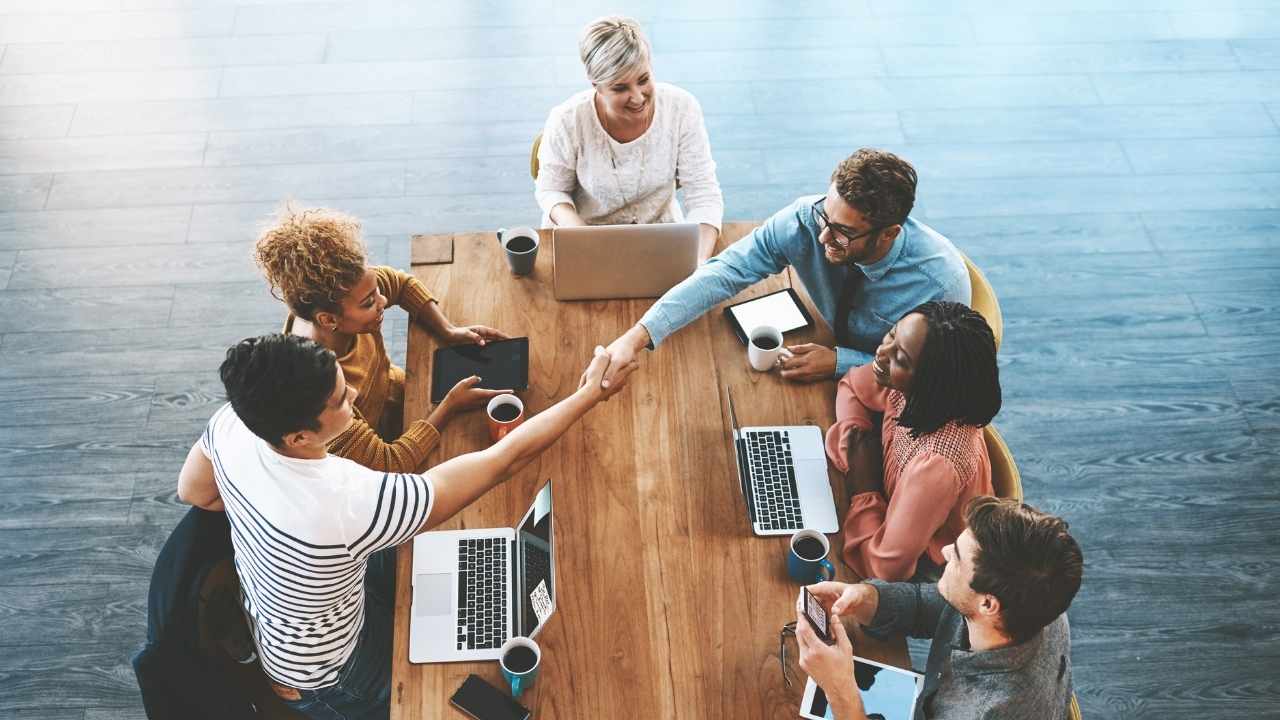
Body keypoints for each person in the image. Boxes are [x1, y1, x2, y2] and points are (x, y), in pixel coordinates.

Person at [177, 333, 635, 720]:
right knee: (435, 694)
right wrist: (590, 395)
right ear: (299, 437)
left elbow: (193, 492)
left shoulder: (232, 424)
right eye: (340, 400)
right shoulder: (349, 500)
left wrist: (266, 517)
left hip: (281, 620)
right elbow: (501, 462)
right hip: (330, 670)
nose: (353, 396)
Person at [600, 148, 970, 388]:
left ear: (889, 233)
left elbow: (935, 378)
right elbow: (726, 270)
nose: (823, 237)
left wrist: (840, 362)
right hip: (818, 364)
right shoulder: (806, 219)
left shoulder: (940, 284)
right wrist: (638, 335)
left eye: (843, 233)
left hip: (884, 391)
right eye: (826, 214)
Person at [255, 204, 509, 473]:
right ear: (329, 320)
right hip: (374, 454)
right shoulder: (320, 393)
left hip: (400, 395)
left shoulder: (349, 287)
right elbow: (390, 463)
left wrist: (447, 330)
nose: (383, 301)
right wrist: (450, 406)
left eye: (376, 290)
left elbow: (400, 284)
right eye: (368, 303)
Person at [795, 496, 1084, 720]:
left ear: (987, 604)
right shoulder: (1039, 603)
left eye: (958, 558)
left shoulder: (981, 711)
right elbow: (937, 606)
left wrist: (841, 691)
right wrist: (866, 597)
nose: (945, 552)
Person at [828, 301, 1001, 582]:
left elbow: (885, 571)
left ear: (931, 384)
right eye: (892, 334)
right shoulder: (905, 386)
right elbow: (852, 386)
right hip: (889, 522)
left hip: (933, 571)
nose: (882, 354)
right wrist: (854, 439)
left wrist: (865, 486)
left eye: (901, 359)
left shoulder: (938, 464)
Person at [535, 15, 724, 262]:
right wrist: (581, 236)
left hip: (662, 239)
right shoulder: (566, 119)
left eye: (644, 80)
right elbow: (551, 190)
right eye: (620, 88)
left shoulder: (682, 108)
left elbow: (704, 194)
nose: (637, 98)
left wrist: (696, 264)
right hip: (588, 241)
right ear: (596, 85)